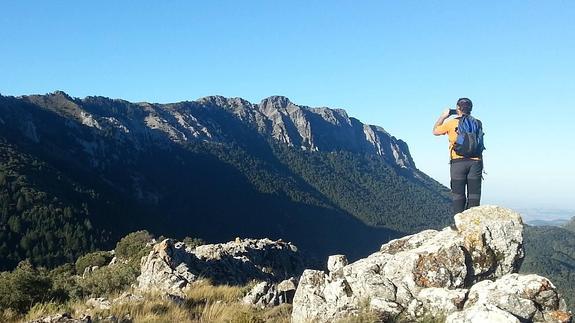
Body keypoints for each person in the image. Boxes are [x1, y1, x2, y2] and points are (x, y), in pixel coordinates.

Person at [432, 98, 483, 214]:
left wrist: (444, 116)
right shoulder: (478, 123)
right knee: (474, 196)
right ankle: (473, 225)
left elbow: (435, 131)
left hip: (457, 162)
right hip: (476, 162)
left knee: (458, 196)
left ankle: (459, 225)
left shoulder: (451, 123)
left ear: (458, 108)